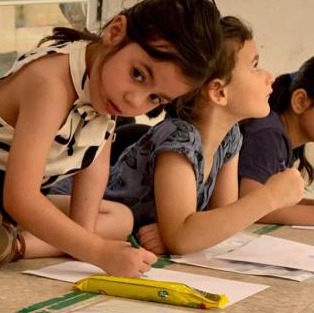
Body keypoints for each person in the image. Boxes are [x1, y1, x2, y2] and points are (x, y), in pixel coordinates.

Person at [0, 0, 222, 279]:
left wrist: (89, 243)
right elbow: (21, 198)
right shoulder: (52, 83)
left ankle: (8, 242)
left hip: (7, 201)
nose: (134, 101)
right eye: (138, 74)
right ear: (115, 32)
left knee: (120, 217)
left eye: (155, 98)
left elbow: (88, 193)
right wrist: (99, 251)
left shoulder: (106, 95)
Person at [67, 17, 303, 256]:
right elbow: (182, 238)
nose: (269, 77)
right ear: (219, 92)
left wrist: (176, 233)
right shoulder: (180, 138)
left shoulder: (230, 138)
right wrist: (270, 197)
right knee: (115, 222)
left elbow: (224, 219)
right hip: (81, 210)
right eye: (254, 66)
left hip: (117, 230)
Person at [239, 56, 314, 224]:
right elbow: (253, 209)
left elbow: (276, 201)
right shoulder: (267, 134)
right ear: (300, 101)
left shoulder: (283, 138)